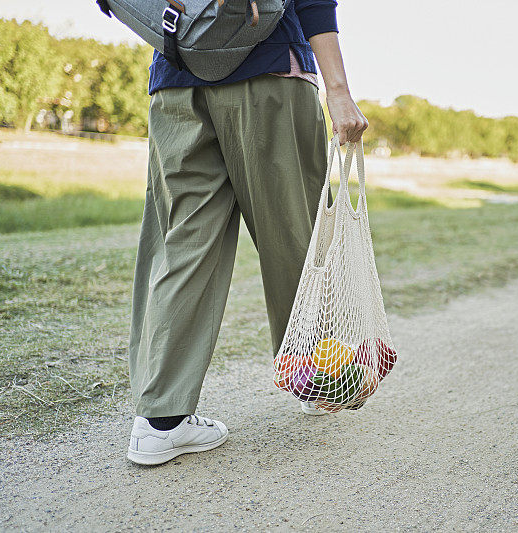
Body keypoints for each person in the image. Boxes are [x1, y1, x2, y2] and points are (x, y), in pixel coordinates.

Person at [125, 0, 367, 466]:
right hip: (269, 70)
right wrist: (338, 90)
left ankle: (160, 421)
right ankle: (319, 377)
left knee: (184, 244)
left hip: (176, 83)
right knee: (297, 236)